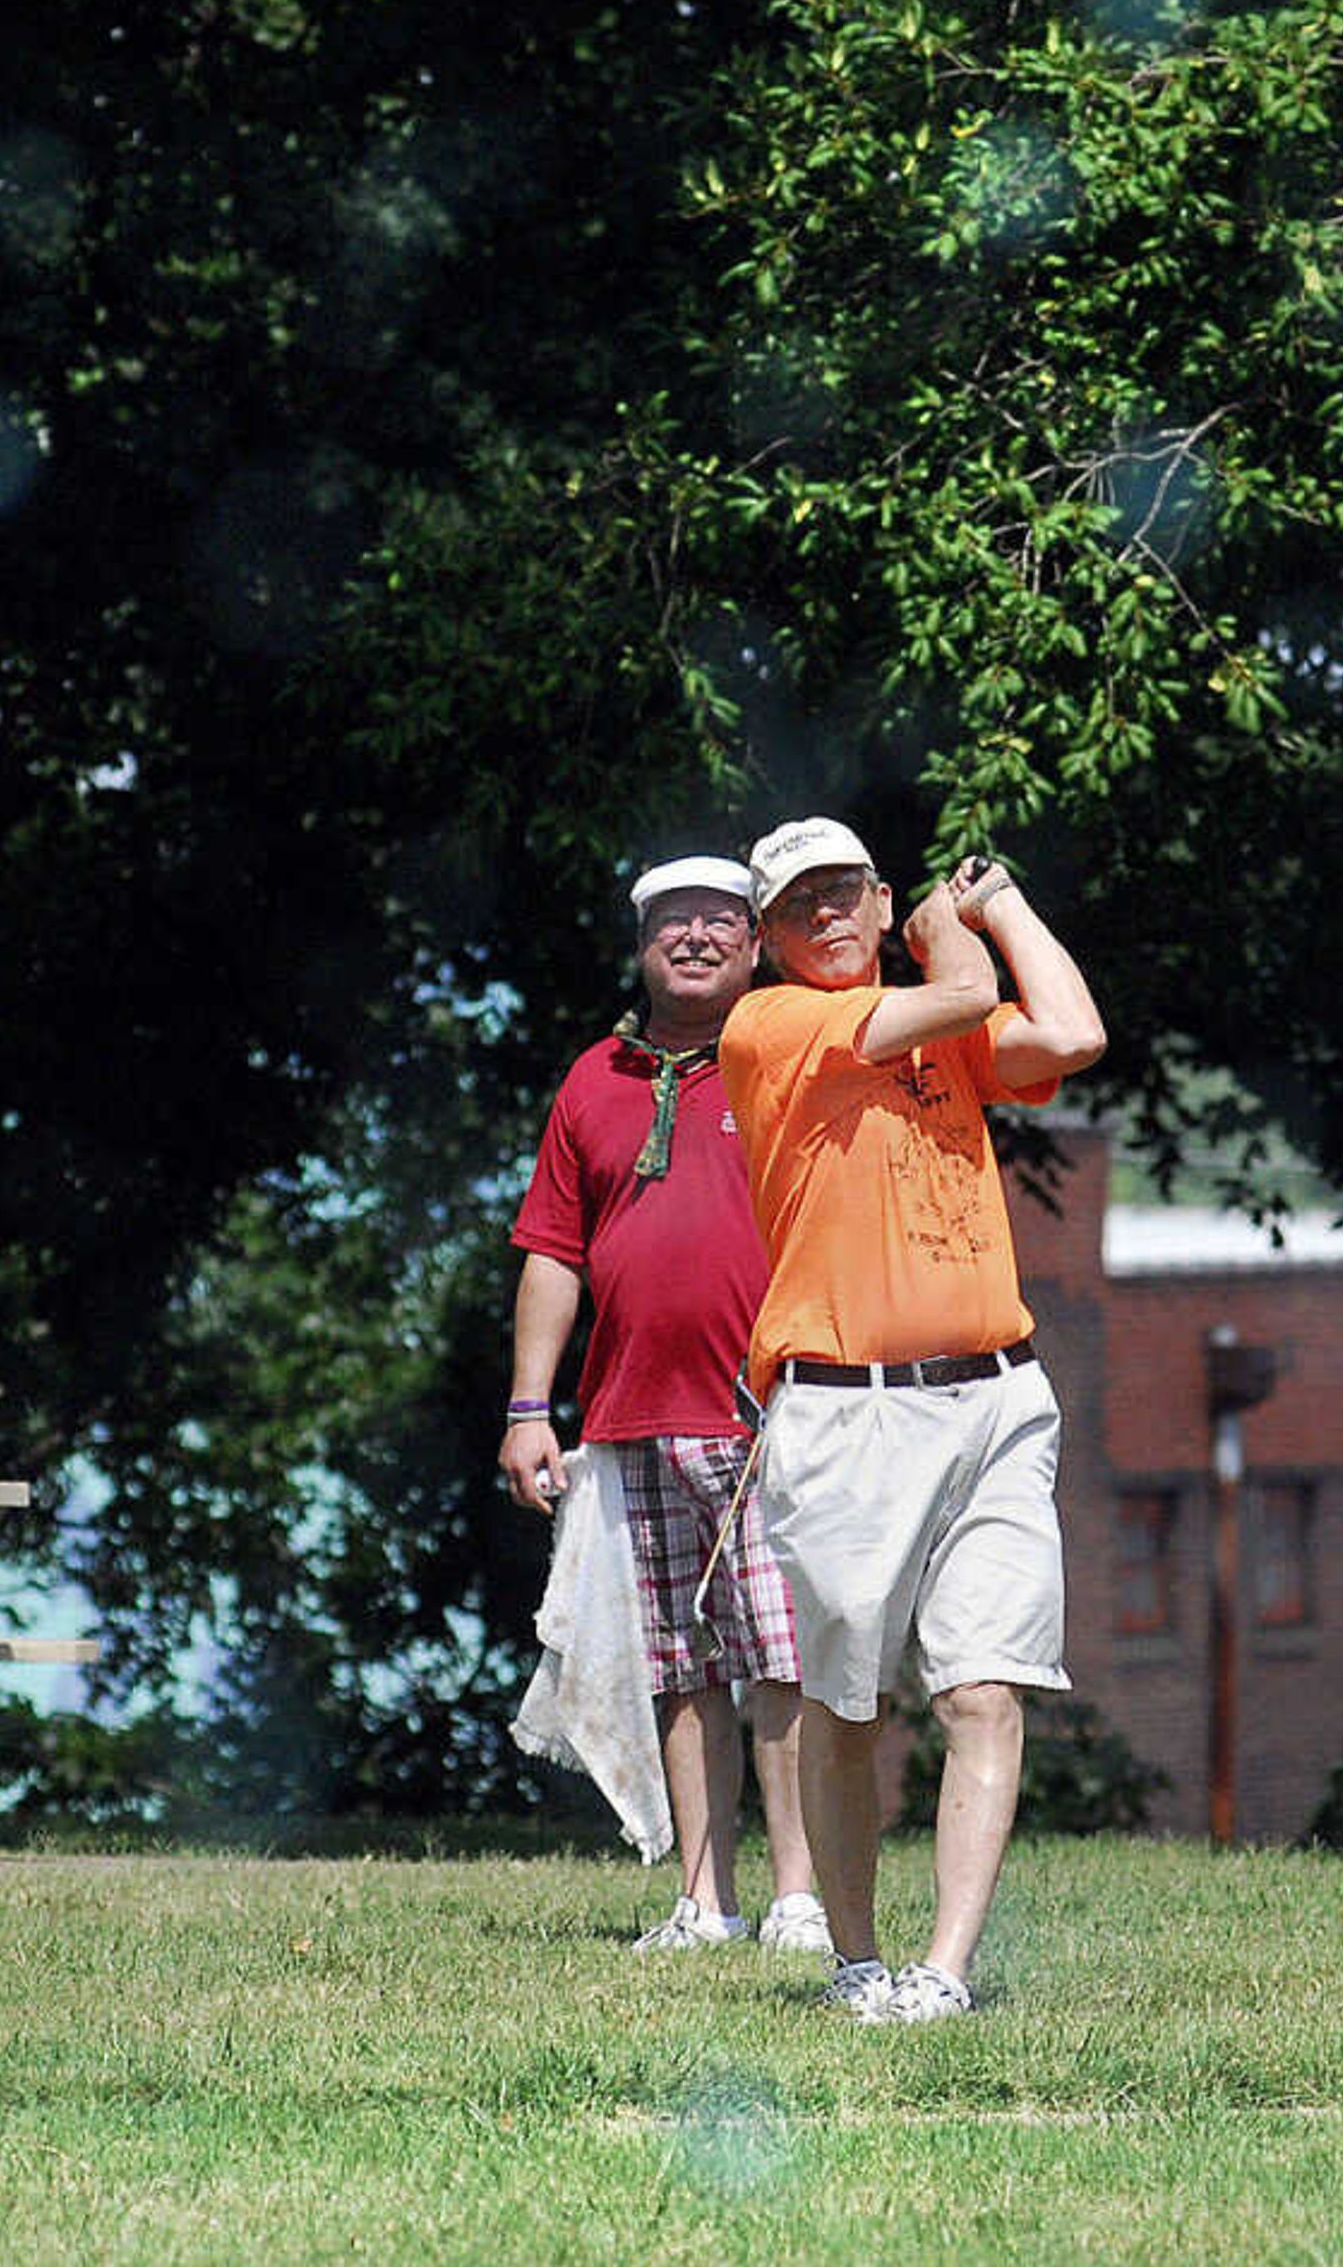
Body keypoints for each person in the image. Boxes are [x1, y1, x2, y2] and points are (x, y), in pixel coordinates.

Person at [719, 818, 1107, 2023]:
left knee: (985, 1690)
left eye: (846, 893)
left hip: (995, 1396)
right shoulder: (771, 1027)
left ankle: (941, 1975)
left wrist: (1004, 903)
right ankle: (854, 1958)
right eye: (799, 907)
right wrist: (955, 936)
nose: (828, 916)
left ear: (881, 901)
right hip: (847, 1416)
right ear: (770, 943)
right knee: (847, 1710)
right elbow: (970, 993)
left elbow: (1077, 1033)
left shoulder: (950, 1018)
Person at [502, 857, 824, 1953]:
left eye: (720, 920)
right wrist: (526, 1407)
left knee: (780, 1658)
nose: (694, 936)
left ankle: (799, 1899)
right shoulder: (592, 1078)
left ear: (754, 942)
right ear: (641, 945)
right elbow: (553, 1252)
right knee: (680, 1669)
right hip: (629, 1413)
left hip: (768, 1409)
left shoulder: (787, 1049)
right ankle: (705, 1901)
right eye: (671, 921)